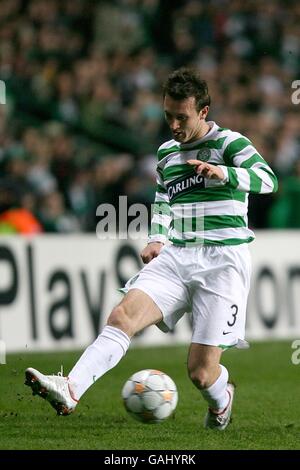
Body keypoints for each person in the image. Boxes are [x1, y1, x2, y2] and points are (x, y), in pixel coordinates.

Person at [25, 68, 278, 430]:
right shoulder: (167, 154)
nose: (174, 125)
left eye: (182, 117)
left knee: (201, 374)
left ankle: (222, 400)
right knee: (122, 317)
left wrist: (226, 174)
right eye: (168, 116)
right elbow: (163, 201)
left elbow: (268, 179)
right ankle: (70, 388)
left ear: (203, 112)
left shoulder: (229, 143)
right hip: (177, 255)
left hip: (223, 260)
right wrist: (157, 237)